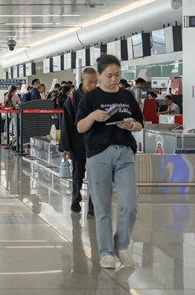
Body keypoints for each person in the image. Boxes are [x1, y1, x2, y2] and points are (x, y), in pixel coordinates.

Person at [76, 54, 144, 269]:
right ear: (100, 75)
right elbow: (80, 127)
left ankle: (121, 245)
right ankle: (105, 252)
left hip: (125, 153)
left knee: (129, 204)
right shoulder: (91, 98)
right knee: (102, 206)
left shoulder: (127, 96)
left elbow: (140, 123)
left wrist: (131, 125)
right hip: (99, 155)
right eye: (109, 76)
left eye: (117, 75)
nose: (114, 79)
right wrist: (92, 117)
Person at [59, 68, 98, 218]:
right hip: (77, 142)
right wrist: (66, 147)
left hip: (95, 143)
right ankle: (76, 199)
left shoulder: (99, 97)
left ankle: (92, 209)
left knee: (95, 176)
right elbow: (66, 125)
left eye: (95, 82)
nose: (93, 85)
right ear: (82, 81)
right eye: (90, 82)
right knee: (78, 174)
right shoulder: (72, 99)